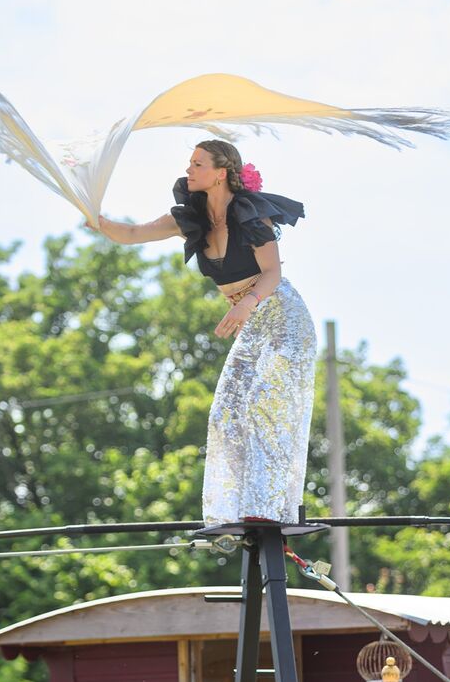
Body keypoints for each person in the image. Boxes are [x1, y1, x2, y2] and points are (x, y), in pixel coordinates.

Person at [93, 140, 315, 527]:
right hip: (251, 323)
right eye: (189, 163)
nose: (189, 171)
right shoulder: (190, 218)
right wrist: (95, 217)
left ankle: (268, 509)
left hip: (281, 316)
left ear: (221, 173)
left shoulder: (250, 214)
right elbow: (129, 233)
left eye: (198, 164)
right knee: (225, 413)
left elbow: (272, 273)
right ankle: (231, 511)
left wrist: (247, 304)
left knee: (263, 406)